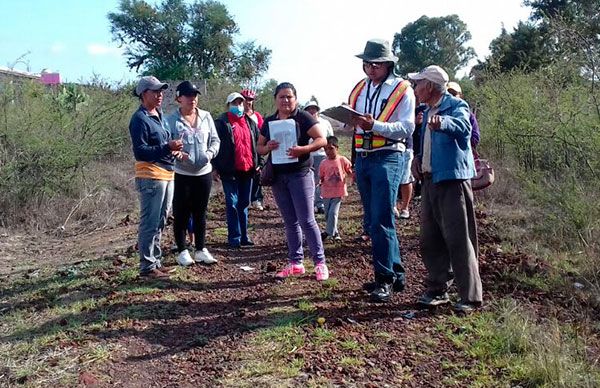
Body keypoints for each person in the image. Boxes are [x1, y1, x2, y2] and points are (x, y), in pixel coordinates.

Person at [409, 65, 482, 313]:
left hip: (452, 181)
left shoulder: (455, 106)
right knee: (430, 240)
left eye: (418, 84)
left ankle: (470, 297)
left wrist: (444, 123)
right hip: (430, 180)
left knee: (460, 239)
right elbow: (425, 141)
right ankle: (438, 289)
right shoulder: (426, 111)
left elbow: (464, 128)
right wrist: (418, 159)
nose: (415, 88)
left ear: (429, 86)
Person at [348, 39, 415, 302]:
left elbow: (407, 128)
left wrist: (375, 125)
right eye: (366, 63)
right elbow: (356, 121)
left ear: (388, 64)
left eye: (375, 64)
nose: (370, 69)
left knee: (381, 219)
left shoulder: (402, 89)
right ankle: (395, 273)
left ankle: (383, 279)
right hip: (363, 156)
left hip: (388, 156)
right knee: (374, 218)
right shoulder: (359, 89)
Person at [256, 82, 330, 281]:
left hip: (300, 174)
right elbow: (259, 148)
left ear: (295, 99)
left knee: (307, 220)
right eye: (282, 97)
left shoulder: (303, 117)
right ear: (275, 100)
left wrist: (303, 150)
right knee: (290, 221)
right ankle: (296, 262)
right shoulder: (270, 121)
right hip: (278, 177)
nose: (286, 100)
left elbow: (321, 140)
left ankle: (320, 263)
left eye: (289, 96)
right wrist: (268, 147)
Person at [129, 76, 183, 279]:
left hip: (166, 173)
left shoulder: (158, 115)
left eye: (161, 91)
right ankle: (147, 267)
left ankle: (155, 262)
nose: (160, 95)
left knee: (160, 220)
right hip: (151, 176)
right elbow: (141, 151)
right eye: (155, 91)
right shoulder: (140, 119)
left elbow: (165, 143)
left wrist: (175, 150)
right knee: (150, 222)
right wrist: (167, 147)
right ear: (144, 94)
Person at [166, 80, 220, 267]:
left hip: (204, 173)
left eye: (195, 95)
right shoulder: (170, 120)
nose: (192, 99)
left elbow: (215, 140)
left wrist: (210, 154)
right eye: (188, 95)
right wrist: (177, 153)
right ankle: (182, 250)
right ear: (179, 98)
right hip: (182, 173)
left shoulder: (206, 116)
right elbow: (167, 145)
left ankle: (200, 249)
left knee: (200, 212)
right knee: (181, 213)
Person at [213, 92, 260, 248]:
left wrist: (259, 162)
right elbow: (213, 144)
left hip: (248, 170)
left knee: (244, 203)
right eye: (235, 103)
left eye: (240, 103)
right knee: (232, 203)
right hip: (229, 171)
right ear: (228, 105)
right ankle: (234, 237)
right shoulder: (221, 123)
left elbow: (258, 144)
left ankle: (244, 236)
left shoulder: (250, 123)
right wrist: (214, 167)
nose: (238, 106)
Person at [319, 136, 352, 241]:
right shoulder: (323, 163)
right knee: (328, 215)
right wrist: (319, 182)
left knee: (333, 213)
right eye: (326, 149)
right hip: (326, 192)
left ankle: (328, 233)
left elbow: (349, 170)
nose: (328, 151)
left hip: (338, 191)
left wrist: (351, 177)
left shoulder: (342, 160)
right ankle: (335, 233)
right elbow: (321, 176)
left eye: (331, 148)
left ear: (337, 148)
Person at [241, 89, 266, 211]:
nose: (248, 102)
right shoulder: (238, 115)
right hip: (243, 149)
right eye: (246, 99)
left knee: (257, 173)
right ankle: (246, 199)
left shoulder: (257, 117)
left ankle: (256, 198)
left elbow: (264, 131)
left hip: (256, 149)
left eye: (250, 100)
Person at [446, 82, 480, 151]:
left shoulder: (469, 115)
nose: (451, 97)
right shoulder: (440, 113)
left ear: (460, 96)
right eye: (449, 94)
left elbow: (475, 138)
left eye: (454, 94)